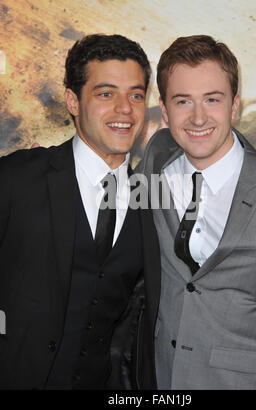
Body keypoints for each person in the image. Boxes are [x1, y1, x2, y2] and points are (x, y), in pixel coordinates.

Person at [138, 35, 256, 389]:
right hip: (165, 380)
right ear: (164, 111)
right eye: (183, 101)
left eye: (212, 99)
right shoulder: (152, 175)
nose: (198, 117)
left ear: (234, 106)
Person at [0, 34, 160, 389]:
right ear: (73, 101)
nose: (125, 109)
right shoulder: (16, 178)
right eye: (106, 94)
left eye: (135, 95)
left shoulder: (151, 199)